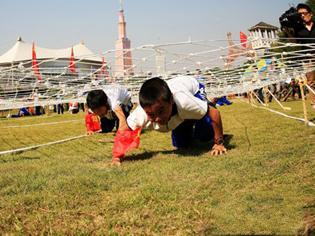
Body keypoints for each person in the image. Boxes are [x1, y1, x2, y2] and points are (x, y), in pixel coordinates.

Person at [114, 76, 227, 165]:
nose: (158, 118)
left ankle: (209, 103)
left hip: (193, 88)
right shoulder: (140, 114)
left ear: (171, 100)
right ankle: (188, 122)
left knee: (205, 135)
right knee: (182, 146)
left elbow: (214, 113)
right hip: (180, 112)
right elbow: (124, 130)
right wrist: (116, 157)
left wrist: (219, 143)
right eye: (151, 114)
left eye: (161, 111)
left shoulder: (184, 102)